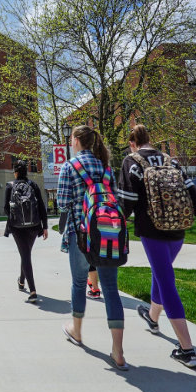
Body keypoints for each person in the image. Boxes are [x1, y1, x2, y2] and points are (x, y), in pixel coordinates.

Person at [119, 124, 196, 368]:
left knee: (166, 281)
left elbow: (128, 200)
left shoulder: (131, 162)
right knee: (161, 272)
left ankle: (187, 350)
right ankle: (152, 317)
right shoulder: (170, 161)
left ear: (132, 143)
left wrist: (118, 224)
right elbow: (193, 192)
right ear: (150, 139)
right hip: (178, 228)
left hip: (151, 229)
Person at [57, 126, 127, 370]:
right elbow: (115, 197)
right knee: (110, 288)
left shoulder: (70, 166)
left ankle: (76, 331)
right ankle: (118, 351)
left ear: (76, 141)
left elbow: (63, 203)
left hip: (81, 235)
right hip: (108, 234)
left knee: (78, 283)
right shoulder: (106, 167)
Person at [4, 160, 48, 303]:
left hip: (17, 227)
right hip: (34, 226)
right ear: (26, 172)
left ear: (15, 172)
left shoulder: (10, 186)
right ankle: (21, 281)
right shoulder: (33, 185)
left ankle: (33, 290)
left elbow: (6, 209)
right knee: (26, 254)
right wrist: (45, 226)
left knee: (25, 255)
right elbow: (41, 206)